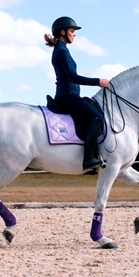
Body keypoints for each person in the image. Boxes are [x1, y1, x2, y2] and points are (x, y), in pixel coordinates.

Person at [44, 16, 110, 170]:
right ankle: (88, 159)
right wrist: (97, 81)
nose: (74, 34)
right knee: (96, 117)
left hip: (70, 95)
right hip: (68, 96)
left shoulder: (62, 49)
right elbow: (73, 77)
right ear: (63, 32)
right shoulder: (61, 51)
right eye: (72, 31)